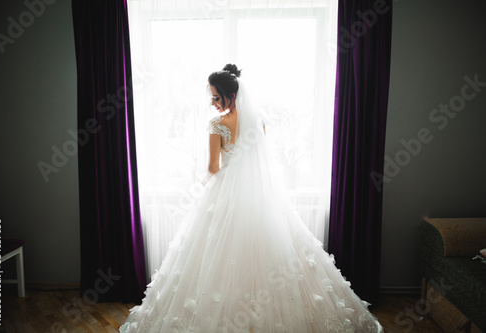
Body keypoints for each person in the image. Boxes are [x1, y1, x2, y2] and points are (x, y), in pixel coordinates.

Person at [120, 64, 383, 333]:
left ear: (230, 96)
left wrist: (204, 182)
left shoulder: (217, 125)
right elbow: (261, 163)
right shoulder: (259, 123)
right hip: (260, 196)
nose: (212, 103)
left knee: (215, 256)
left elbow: (212, 168)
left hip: (225, 195)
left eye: (215, 97)